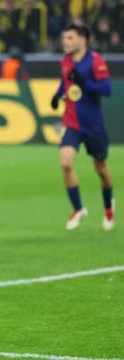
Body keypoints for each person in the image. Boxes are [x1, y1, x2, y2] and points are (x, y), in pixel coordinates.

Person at [51, 24, 114, 231]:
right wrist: (57, 94)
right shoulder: (66, 61)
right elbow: (66, 81)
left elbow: (106, 89)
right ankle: (78, 209)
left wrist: (85, 83)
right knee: (66, 163)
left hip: (93, 125)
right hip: (71, 123)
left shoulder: (95, 61)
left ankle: (108, 207)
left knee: (102, 170)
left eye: (69, 38)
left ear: (82, 40)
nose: (65, 42)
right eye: (64, 38)